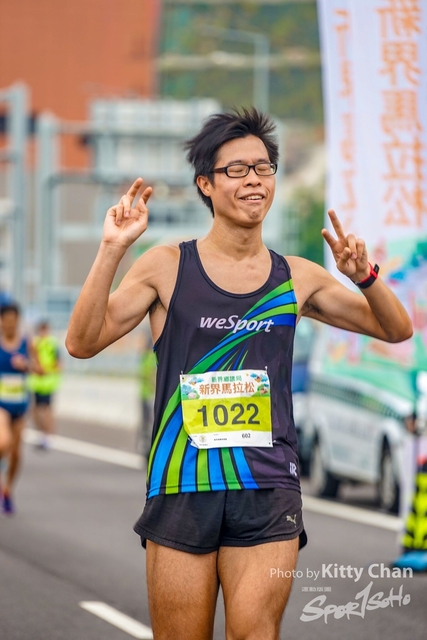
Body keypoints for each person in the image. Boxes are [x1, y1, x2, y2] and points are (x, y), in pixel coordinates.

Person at [66, 108, 412, 640]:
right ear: (205, 184)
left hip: (267, 484)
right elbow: (82, 342)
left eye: (263, 167)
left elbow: (395, 328)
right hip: (183, 480)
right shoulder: (166, 267)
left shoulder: (297, 277)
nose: (253, 179)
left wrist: (363, 276)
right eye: (236, 169)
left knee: (255, 633)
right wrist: (112, 249)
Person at [0, 303, 40, 515]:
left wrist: (27, 365)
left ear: (17, 321)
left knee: (16, 453)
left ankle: (7, 490)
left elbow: (41, 369)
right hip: (1, 405)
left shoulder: (27, 342)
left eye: (13, 322)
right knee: (3, 442)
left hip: (20, 406)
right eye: (6, 322)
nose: (9, 325)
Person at [28, 320, 62, 450]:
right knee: (36, 411)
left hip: (47, 382)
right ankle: (44, 434)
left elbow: (59, 364)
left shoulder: (52, 343)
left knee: (46, 411)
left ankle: (48, 435)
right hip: (37, 383)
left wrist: (46, 371)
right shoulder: (35, 343)